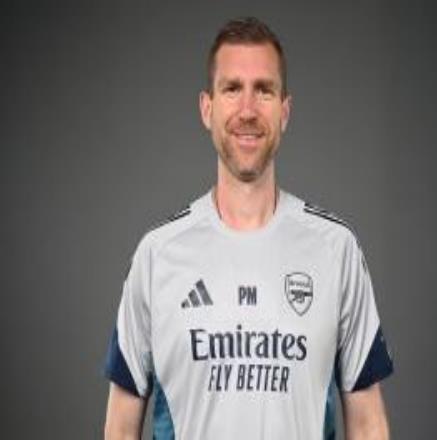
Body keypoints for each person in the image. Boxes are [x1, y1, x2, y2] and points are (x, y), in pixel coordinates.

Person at [103, 16, 394, 440]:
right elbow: (120, 429)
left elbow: (368, 425)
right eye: (232, 89)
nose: (247, 110)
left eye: (264, 90)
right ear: (207, 108)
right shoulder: (157, 256)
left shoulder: (336, 250)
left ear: (285, 111)